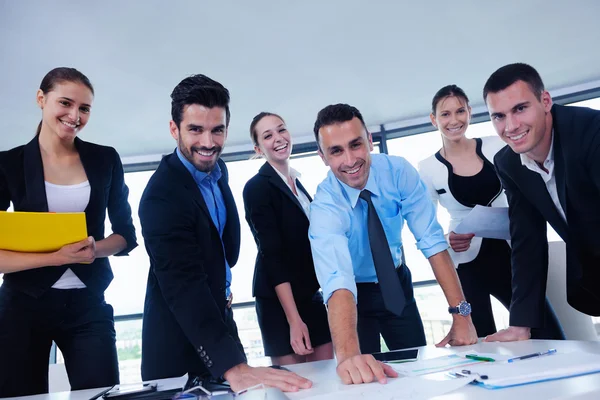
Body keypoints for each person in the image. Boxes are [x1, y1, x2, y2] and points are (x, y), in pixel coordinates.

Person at [138, 75, 311, 393]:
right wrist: (232, 366)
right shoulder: (161, 196)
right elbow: (183, 285)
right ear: (174, 129)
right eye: (195, 129)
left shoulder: (218, 171)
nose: (208, 142)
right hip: (178, 343)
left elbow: (222, 248)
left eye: (217, 130)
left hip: (221, 321)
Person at [308, 103, 478, 385]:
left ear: (370, 141)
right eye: (336, 151)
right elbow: (337, 278)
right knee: (362, 381)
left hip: (396, 286)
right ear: (322, 157)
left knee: (416, 372)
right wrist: (348, 357)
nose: (350, 160)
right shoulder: (325, 205)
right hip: (353, 299)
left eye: (355, 145)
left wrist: (462, 315)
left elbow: (431, 240)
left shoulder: (397, 172)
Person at [0, 67, 137, 397]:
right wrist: (56, 257)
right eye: (66, 103)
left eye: (85, 108)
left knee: (101, 394)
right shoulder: (9, 164)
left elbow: (126, 235)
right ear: (41, 99)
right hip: (23, 304)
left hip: (88, 303)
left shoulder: (105, 159)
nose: (75, 115)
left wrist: (95, 249)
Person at [418, 85, 564, 339]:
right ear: (434, 119)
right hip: (466, 263)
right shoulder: (428, 168)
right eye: (445, 114)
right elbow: (426, 226)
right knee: (480, 340)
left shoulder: (498, 146)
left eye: (460, 111)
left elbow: (527, 188)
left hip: (510, 254)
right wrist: (448, 240)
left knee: (546, 330)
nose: (454, 120)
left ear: (470, 112)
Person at [481, 63, 600, 342]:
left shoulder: (592, 131)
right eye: (499, 116)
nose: (510, 126)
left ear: (545, 101)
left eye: (520, 109)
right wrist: (520, 325)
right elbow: (527, 240)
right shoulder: (508, 163)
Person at [243, 112, 333, 366]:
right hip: (279, 302)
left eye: (281, 130)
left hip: (309, 293)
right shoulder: (257, 187)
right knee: (295, 387)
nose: (278, 138)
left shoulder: (298, 183)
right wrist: (294, 320)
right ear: (259, 148)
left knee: (327, 377)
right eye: (268, 135)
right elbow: (271, 254)